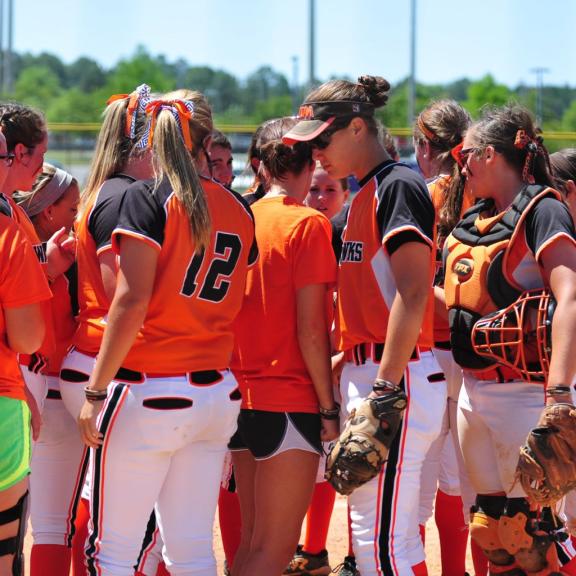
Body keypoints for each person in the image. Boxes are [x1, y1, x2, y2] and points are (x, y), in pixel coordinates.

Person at [77, 94, 257, 575]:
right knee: (192, 550)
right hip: (215, 393)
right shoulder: (239, 207)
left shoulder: (146, 196)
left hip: (148, 386)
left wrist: (95, 390)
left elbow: (131, 300)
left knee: (111, 551)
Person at [284, 76, 444, 576]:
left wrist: (382, 390)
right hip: (375, 371)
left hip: (397, 376)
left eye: (321, 140)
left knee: (382, 541)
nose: (316, 155)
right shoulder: (365, 195)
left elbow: (415, 293)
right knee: (377, 535)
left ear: (358, 127)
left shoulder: (397, 186)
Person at [444, 105, 576, 576]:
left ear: (493, 154)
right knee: (490, 533)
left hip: (526, 394)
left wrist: (559, 397)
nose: (461, 163)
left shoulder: (543, 209)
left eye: (468, 153)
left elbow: (570, 295)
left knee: (530, 540)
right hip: (474, 394)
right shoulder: (473, 220)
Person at [229, 117, 338, 576]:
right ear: (310, 161)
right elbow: (311, 329)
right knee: (273, 552)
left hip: (237, 395)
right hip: (289, 399)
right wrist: (329, 409)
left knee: (252, 544)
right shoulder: (307, 223)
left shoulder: (239, 215)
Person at [59, 83, 159, 576]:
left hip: (94, 357)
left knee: (93, 502)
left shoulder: (107, 189)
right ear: (143, 142)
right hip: (111, 363)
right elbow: (123, 294)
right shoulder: (125, 195)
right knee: (132, 522)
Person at [412, 99, 483, 576]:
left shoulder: (419, 195)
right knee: (468, 488)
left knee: (413, 489)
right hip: (477, 352)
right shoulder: (486, 192)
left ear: (423, 146)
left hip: (427, 351)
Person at [14, 164, 81, 575]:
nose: (77, 215)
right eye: (71, 208)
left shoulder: (15, 249)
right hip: (50, 396)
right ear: (48, 212)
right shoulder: (66, 255)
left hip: (23, 393)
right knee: (54, 527)